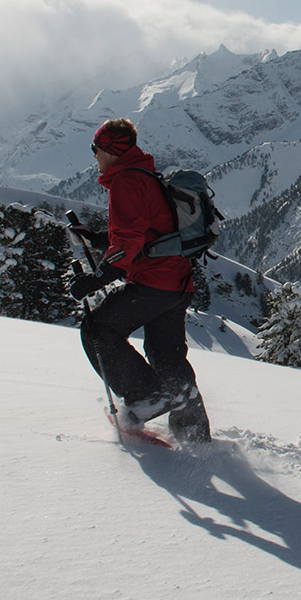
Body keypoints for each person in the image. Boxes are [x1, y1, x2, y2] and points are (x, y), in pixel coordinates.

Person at [70, 118, 211, 443]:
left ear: (109, 150)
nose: (94, 156)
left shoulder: (126, 181)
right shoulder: (145, 175)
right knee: (166, 355)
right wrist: (98, 239)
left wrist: (98, 278)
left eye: (95, 149)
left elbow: (131, 239)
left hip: (153, 282)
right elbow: (148, 231)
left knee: (98, 330)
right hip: (177, 283)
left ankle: (148, 397)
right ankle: (194, 433)